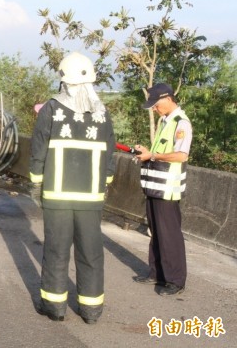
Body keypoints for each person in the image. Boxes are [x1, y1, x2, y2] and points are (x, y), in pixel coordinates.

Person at [30, 52, 116, 324]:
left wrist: (35, 181)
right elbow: (110, 155)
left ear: (64, 82)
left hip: (57, 196)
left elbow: (38, 148)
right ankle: (91, 311)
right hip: (91, 197)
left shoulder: (52, 109)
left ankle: (55, 308)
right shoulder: (102, 115)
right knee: (91, 252)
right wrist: (105, 184)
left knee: (56, 250)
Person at [133, 83, 192, 296]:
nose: (154, 109)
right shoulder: (164, 121)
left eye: (156, 104)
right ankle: (156, 272)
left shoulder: (181, 123)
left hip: (168, 188)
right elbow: (159, 151)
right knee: (156, 231)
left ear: (167, 99)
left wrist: (153, 156)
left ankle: (175, 280)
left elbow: (181, 155)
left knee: (169, 234)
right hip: (155, 186)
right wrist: (148, 152)